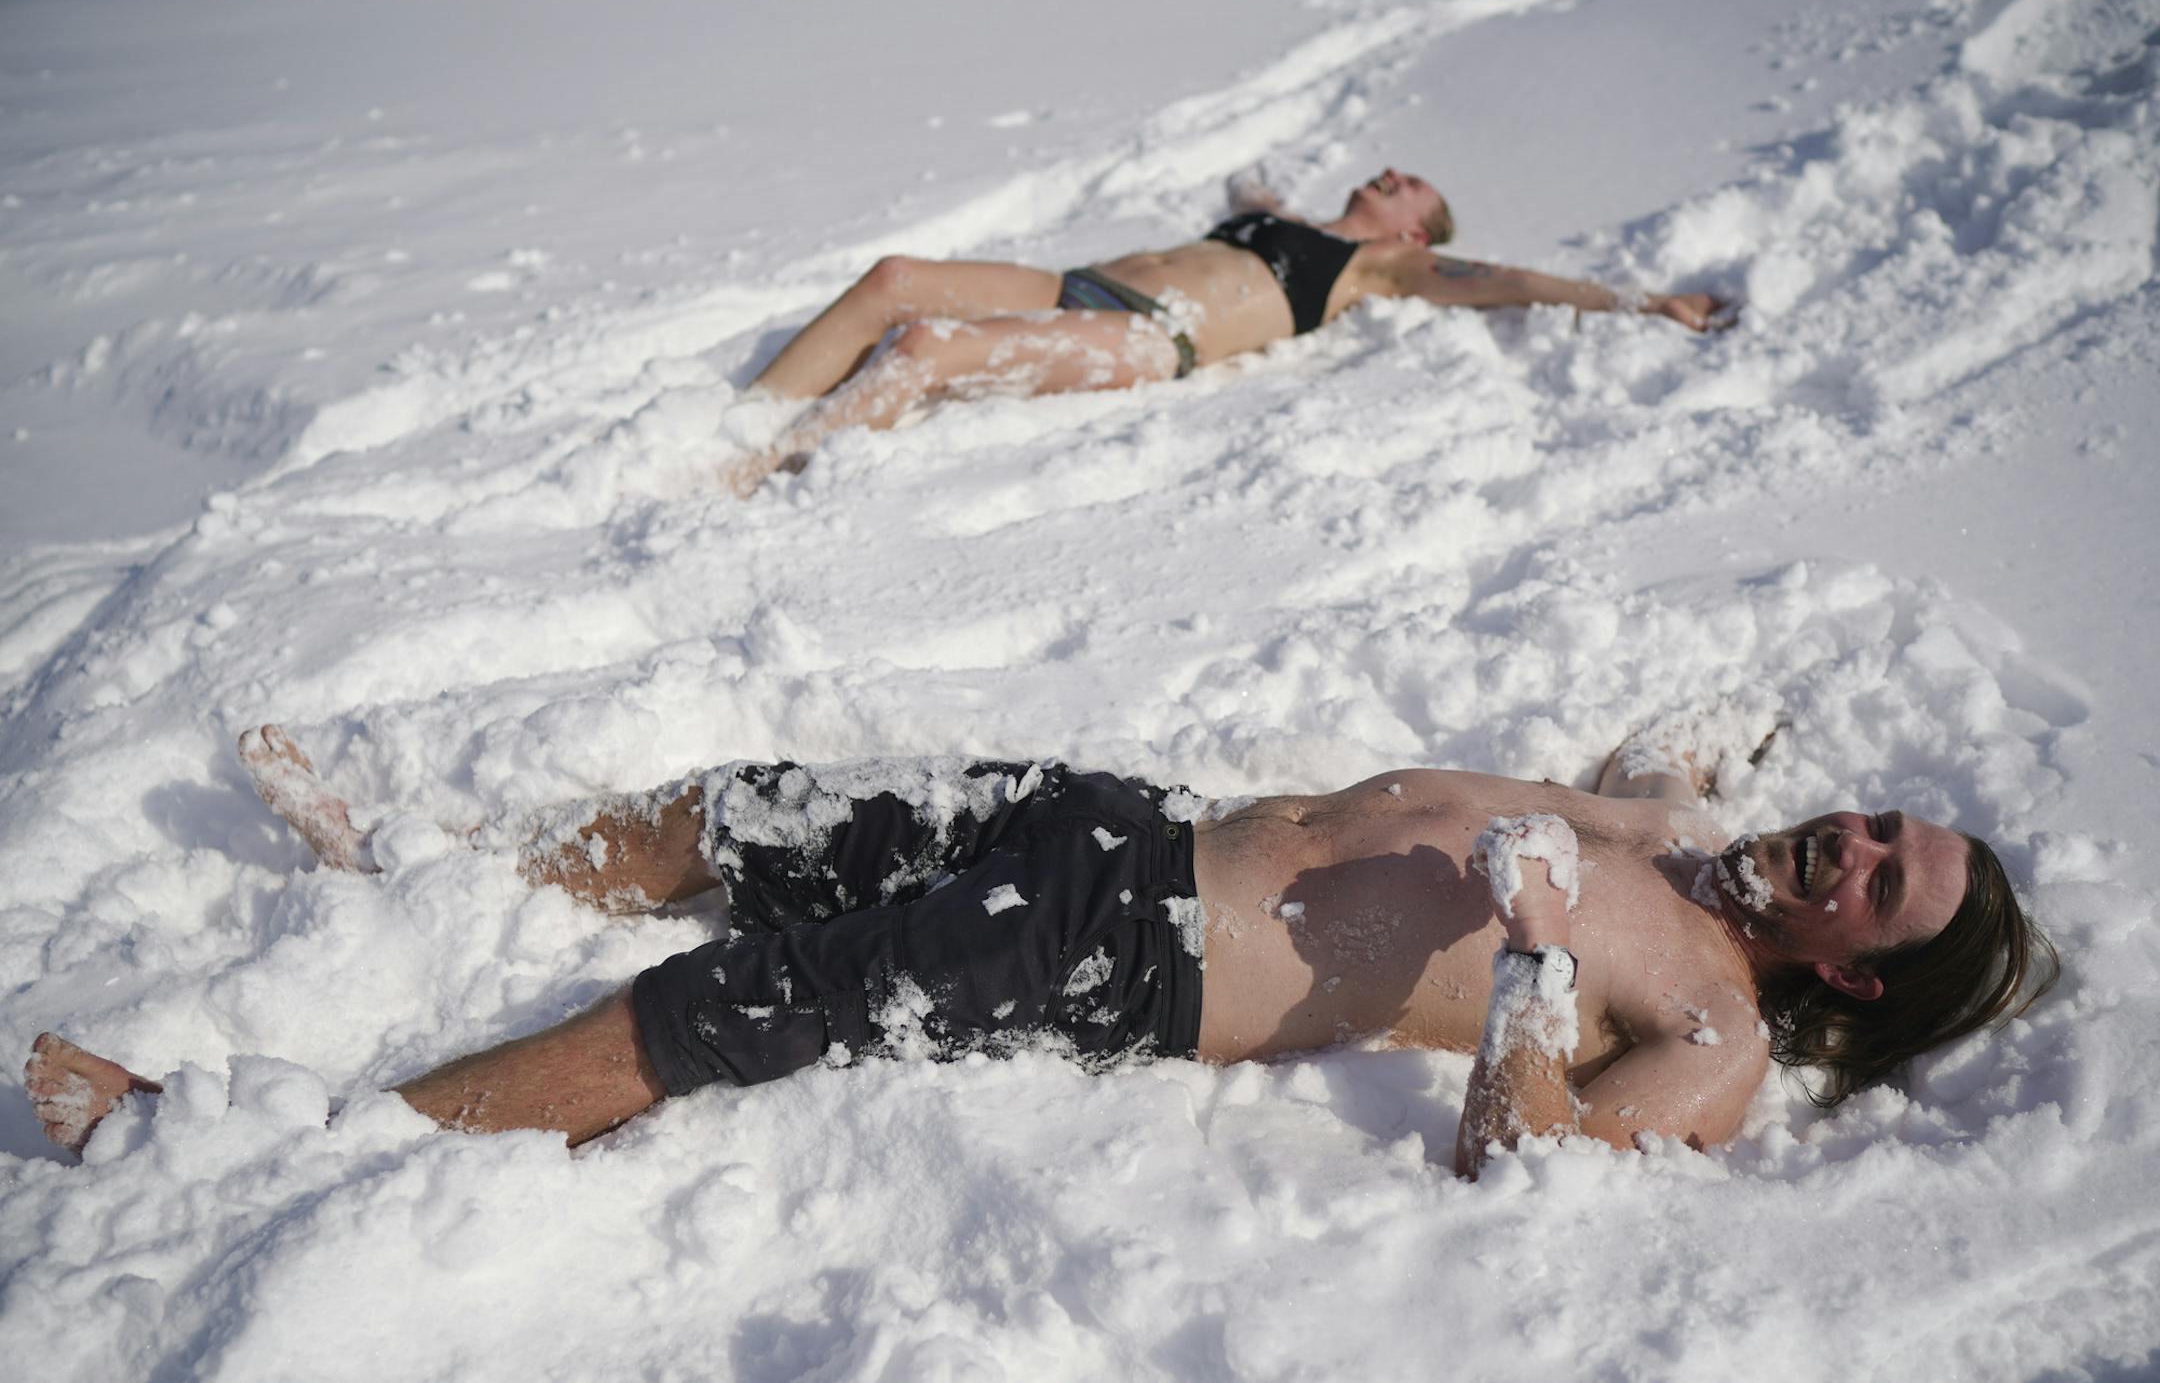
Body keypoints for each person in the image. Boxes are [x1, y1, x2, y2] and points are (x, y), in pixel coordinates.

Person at [26, 713, 2053, 1178]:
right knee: (758, 819)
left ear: (1859, 974)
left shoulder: (1704, 1021)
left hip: (1145, 949)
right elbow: (1620, 784)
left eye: (1884, 880)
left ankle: (264, 1143)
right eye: (1879, 820)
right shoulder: (1683, 845)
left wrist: (1529, 955)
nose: (1853, 841)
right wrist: (1649, 784)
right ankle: (435, 859)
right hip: (1117, 820)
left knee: (759, 997)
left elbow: (1532, 1166)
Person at [736, 167, 1731, 480]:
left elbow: (1510, 279)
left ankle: (770, 466)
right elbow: (1249, 181)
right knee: (895, 279)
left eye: (1407, 183)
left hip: (1147, 338)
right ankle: (741, 418)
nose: (1387, 174)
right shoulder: (1285, 217)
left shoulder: (1381, 268)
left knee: (926, 349)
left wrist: (1649, 302)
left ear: (1419, 229)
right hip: (1075, 285)